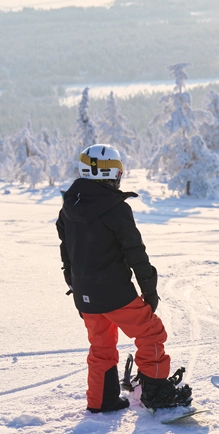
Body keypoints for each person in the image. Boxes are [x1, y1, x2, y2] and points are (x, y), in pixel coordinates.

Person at [56, 144, 193, 413]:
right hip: (114, 292)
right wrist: (149, 291)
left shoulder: (68, 207)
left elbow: (67, 252)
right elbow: (135, 254)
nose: (120, 176)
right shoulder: (115, 208)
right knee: (152, 333)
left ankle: (101, 400)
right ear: (108, 173)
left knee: (101, 345)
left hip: (85, 293)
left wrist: (74, 286)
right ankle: (155, 392)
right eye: (117, 170)